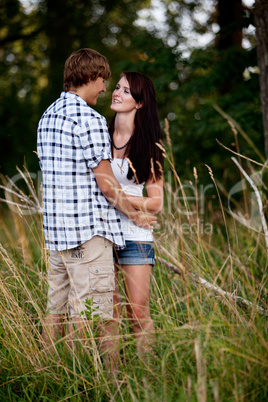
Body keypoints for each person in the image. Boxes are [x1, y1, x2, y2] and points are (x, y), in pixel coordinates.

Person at [37, 49, 156, 368]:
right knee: (100, 315)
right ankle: (107, 383)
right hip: (89, 232)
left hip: (58, 234)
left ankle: (47, 372)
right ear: (90, 78)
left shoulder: (48, 115)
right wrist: (134, 214)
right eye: (104, 80)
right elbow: (105, 183)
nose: (106, 88)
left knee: (57, 309)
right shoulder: (88, 118)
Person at [109, 72, 164, 358]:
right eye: (117, 87)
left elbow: (156, 203)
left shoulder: (149, 145)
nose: (116, 93)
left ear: (140, 103)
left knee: (138, 313)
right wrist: (125, 204)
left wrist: (118, 199)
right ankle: (111, 381)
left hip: (136, 236)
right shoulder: (99, 136)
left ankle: (148, 378)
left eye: (126, 91)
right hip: (100, 234)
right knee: (110, 313)